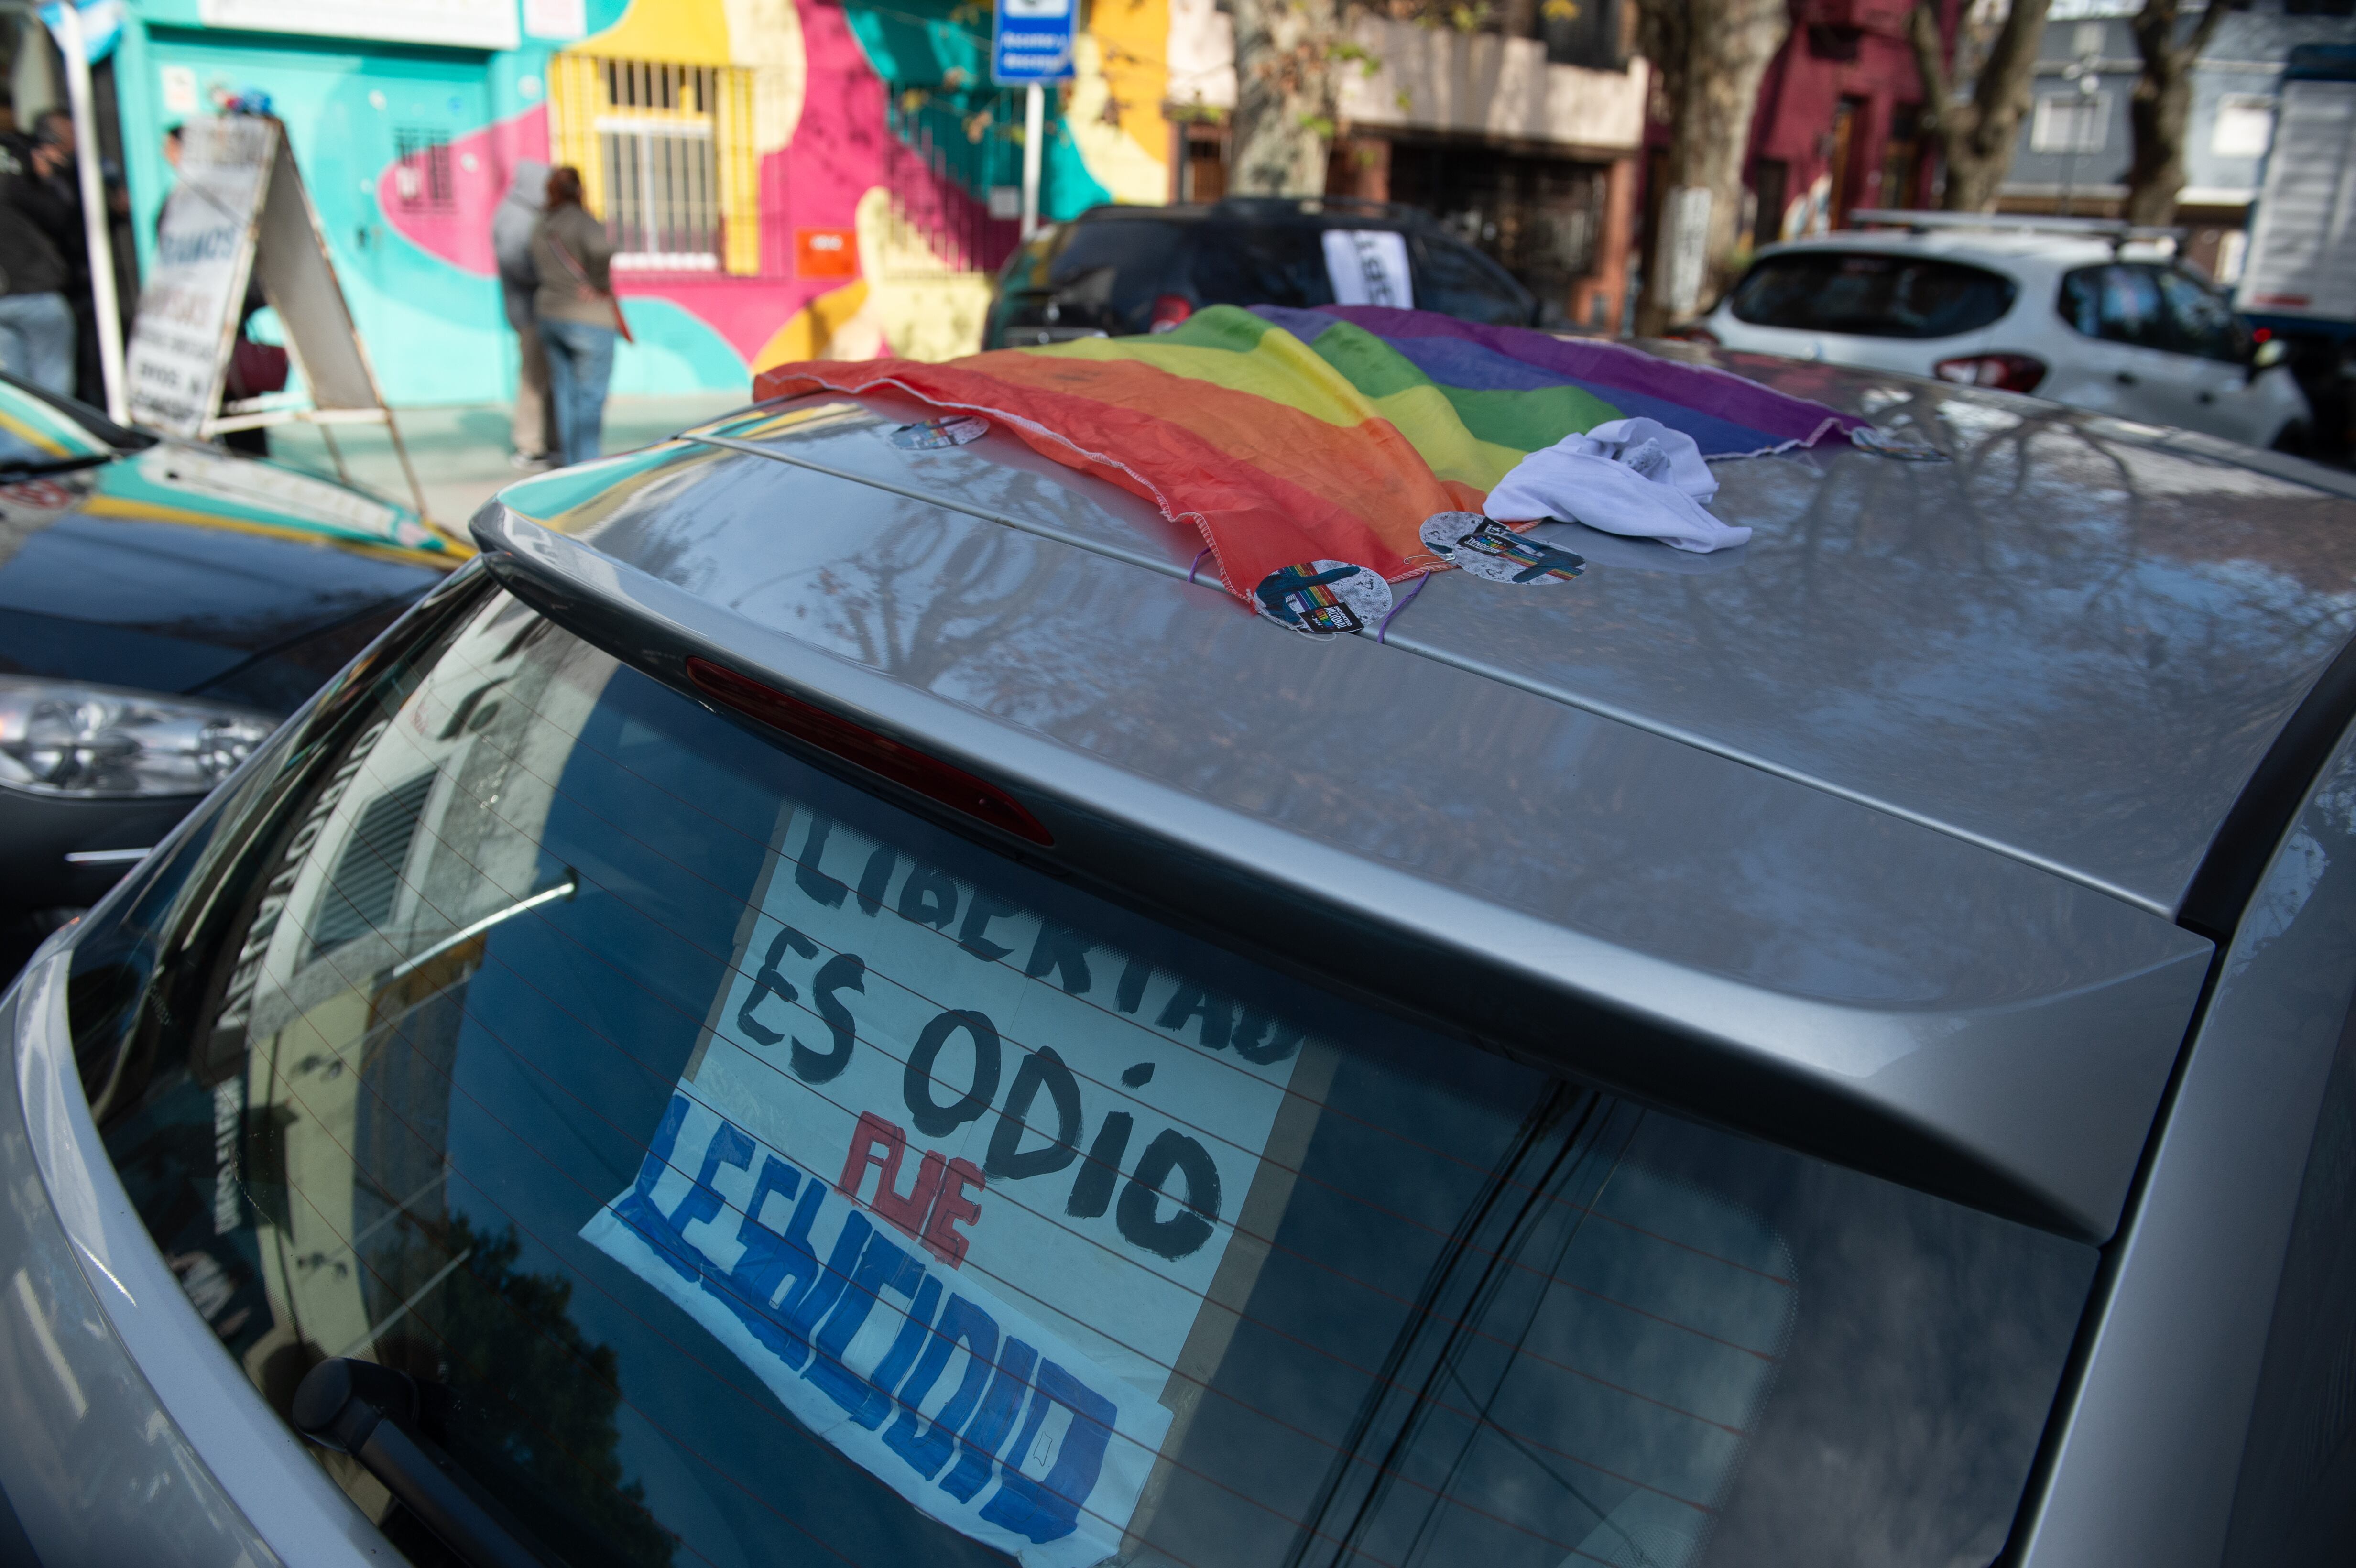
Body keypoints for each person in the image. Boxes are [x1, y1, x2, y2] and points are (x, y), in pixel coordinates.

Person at [531, 165, 618, 467]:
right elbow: (602, 249)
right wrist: (599, 284)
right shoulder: (583, 221)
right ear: (580, 190)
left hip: (549, 315)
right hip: (587, 320)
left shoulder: (541, 225)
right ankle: (589, 468)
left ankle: (571, 464)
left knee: (566, 396)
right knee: (591, 398)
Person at [0, 96, 77, 396]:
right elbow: (59, 215)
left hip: (9, 294)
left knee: (16, 401)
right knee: (53, 397)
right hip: (36, 292)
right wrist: (50, 178)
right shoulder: (18, 164)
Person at [493, 158, 556, 470]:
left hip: (537, 310)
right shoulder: (516, 217)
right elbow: (516, 261)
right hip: (529, 313)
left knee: (546, 378)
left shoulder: (527, 214)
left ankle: (548, 441)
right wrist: (549, 274)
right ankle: (529, 444)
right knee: (533, 380)